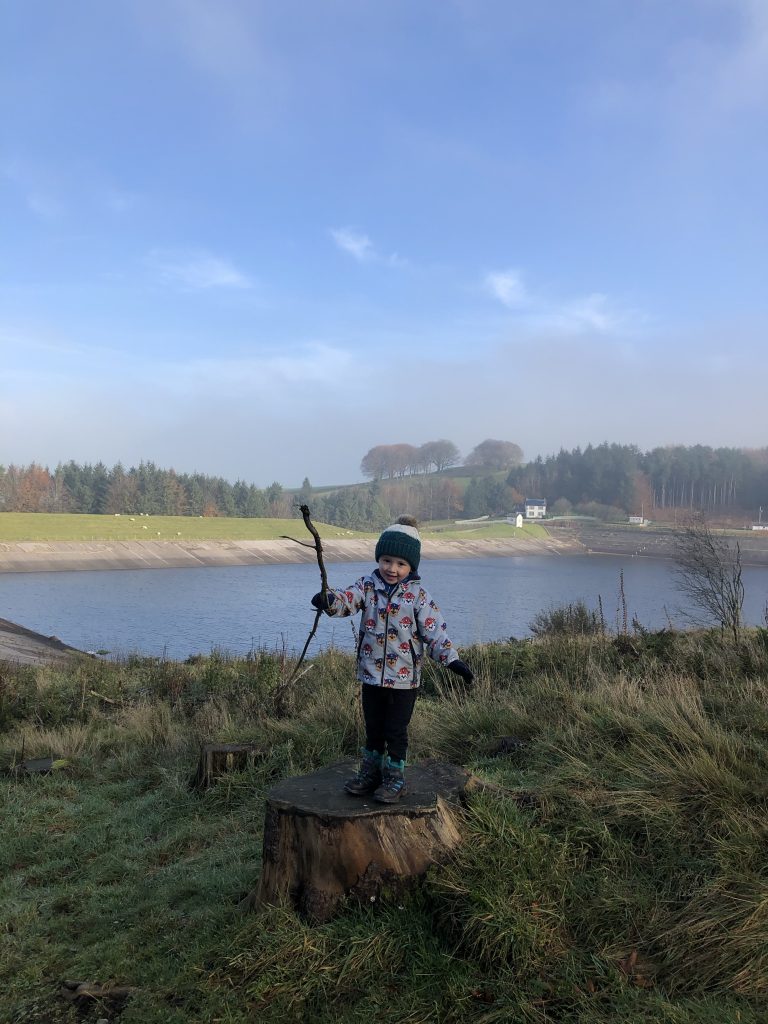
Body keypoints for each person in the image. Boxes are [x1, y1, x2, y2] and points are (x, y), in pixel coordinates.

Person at [311, 515, 473, 804]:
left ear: (411, 566)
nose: (392, 569)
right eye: (386, 561)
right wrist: (328, 600)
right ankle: (370, 773)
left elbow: (435, 633)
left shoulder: (419, 597)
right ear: (378, 559)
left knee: (395, 731)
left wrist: (453, 660)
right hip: (370, 675)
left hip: (404, 680)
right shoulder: (368, 586)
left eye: (400, 564)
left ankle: (395, 778)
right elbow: (347, 599)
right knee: (373, 728)